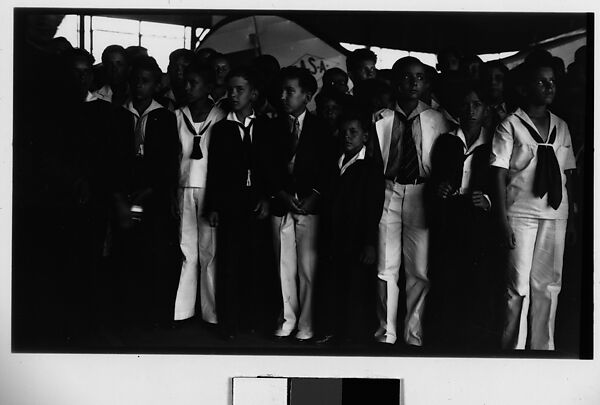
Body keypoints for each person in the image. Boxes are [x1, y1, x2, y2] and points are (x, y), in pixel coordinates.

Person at [490, 56, 577, 351]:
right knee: (518, 286)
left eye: (552, 81)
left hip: (555, 214)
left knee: (549, 285)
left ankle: (543, 348)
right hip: (520, 213)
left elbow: (567, 175)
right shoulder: (510, 125)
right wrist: (501, 220)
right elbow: (499, 174)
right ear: (525, 89)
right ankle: (513, 349)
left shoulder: (561, 126)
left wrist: (573, 218)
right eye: (541, 81)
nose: (549, 86)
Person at [371, 56, 450, 346]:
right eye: (406, 77)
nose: (412, 83)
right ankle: (386, 334)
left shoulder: (438, 119)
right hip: (388, 191)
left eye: (419, 78)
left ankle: (413, 335)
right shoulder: (380, 118)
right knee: (385, 267)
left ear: (427, 83)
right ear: (394, 82)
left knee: (418, 269)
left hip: (421, 193)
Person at [112, 56, 181, 328]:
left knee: (152, 254)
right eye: (136, 81)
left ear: (156, 85)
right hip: (125, 196)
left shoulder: (164, 117)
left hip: (153, 197)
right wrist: (121, 192)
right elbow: (113, 158)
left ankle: (151, 315)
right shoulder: (119, 114)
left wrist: (149, 190)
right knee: (127, 251)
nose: (139, 87)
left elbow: (168, 162)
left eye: (146, 82)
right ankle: (128, 314)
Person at [427, 82, 497, 347]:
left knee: (476, 280)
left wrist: (487, 200)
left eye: (477, 105)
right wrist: (440, 188)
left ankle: (473, 341)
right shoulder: (446, 140)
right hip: (450, 216)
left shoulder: (493, 142)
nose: (470, 110)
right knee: (447, 277)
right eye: (466, 105)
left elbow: (503, 181)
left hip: (478, 218)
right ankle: (447, 339)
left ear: (486, 109)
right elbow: (435, 176)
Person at [205, 67, 272, 340]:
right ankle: (229, 324)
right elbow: (215, 170)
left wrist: (267, 197)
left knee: (256, 263)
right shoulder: (221, 129)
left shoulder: (267, 125)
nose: (233, 94)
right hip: (230, 203)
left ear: (253, 94)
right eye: (230, 89)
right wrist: (213, 206)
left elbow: (271, 166)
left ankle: (254, 320)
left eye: (239, 89)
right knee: (229, 265)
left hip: (257, 203)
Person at [270, 66, 331, 341]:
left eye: (290, 91)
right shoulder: (270, 126)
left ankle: (306, 325)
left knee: (308, 269)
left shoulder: (322, 128)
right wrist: (282, 194)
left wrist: (315, 195)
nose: (284, 96)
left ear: (307, 96)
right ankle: (287, 319)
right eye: (282, 90)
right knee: (284, 266)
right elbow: (264, 167)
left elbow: (329, 168)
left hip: (310, 207)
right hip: (282, 204)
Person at [173, 63, 226, 325]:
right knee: (186, 249)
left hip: (209, 189)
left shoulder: (221, 115)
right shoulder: (177, 115)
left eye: (194, 83)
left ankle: (211, 313)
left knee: (209, 251)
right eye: (186, 83)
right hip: (184, 186)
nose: (187, 87)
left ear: (208, 88)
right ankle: (182, 311)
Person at [326, 109, 385, 343]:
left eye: (354, 132)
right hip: (335, 237)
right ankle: (339, 332)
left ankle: (354, 337)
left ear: (366, 137)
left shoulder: (370, 168)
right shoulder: (336, 162)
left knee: (356, 287)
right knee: (338, 284)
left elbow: (373, 209)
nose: (347, 136)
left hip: (357, 238)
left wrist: (370, 243)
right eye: (344, 132)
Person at [481, 61, 510, 131]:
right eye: (488, 78)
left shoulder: (514, 108)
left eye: (498, 78)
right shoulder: (476, 109)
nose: (493, 82)